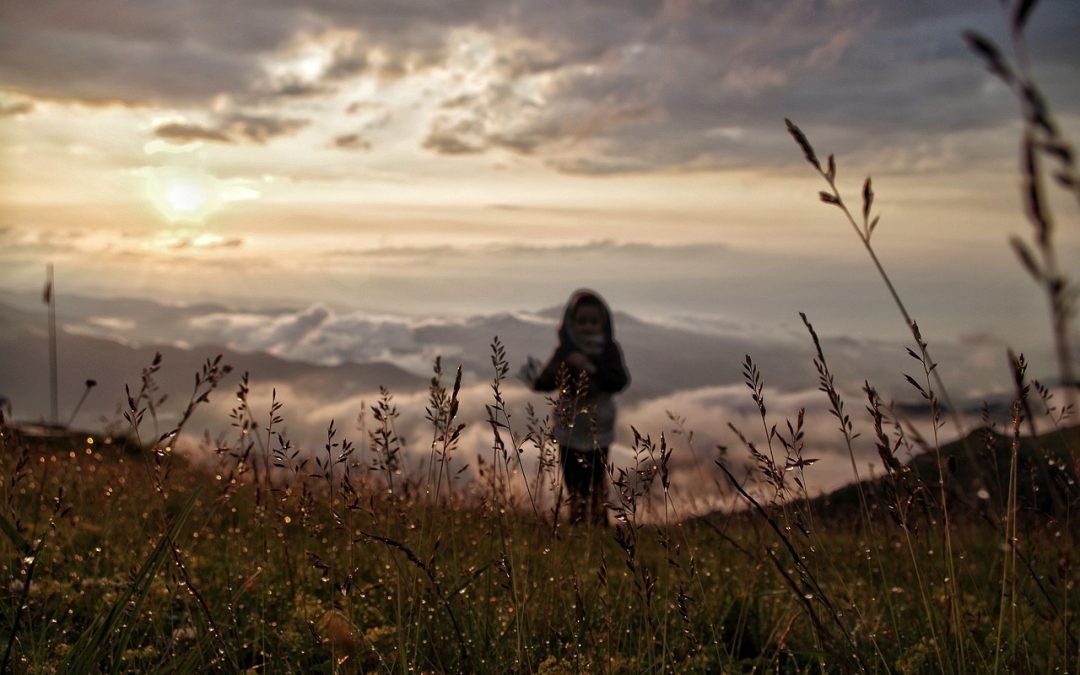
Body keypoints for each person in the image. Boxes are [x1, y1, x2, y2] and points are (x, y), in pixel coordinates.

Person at [525, 289, 629, 525]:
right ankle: (578, 524)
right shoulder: (565, 351)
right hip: (569, 427)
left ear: (603, 322)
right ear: (571, 323)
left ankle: (598, 526)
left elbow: (619, 381)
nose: (587, 326)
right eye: (581, 321)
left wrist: (589, 368)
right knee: (573, 480)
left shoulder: (609, 349)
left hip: (598, 427)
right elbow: (546, 382)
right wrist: (536, 378)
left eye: (593, 321)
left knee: (596, 480)